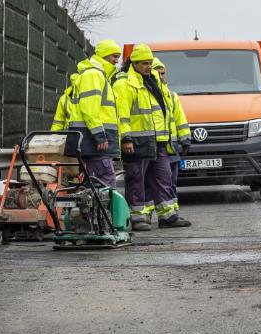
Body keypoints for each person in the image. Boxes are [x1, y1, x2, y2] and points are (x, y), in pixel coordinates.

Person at [114, 44, 191, 230]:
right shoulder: (124, 84)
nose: (149, 67)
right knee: (136, 180)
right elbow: (121, 115)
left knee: (164, 179)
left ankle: (168, 216)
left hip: (159, 141)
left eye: (150, 63)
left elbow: (166, 112)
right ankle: (138, 218)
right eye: (144, 63)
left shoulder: (154, 81)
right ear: (134, 63)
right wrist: (126, 139)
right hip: (137, 142)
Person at [66, 39, 122, 189]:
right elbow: (89, 108)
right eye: (114, 56)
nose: (117, 61)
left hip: (92, 140)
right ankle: (104, 212)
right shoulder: (93, 74)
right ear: (104, 55)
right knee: (104, 183)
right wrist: (99, 136)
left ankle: (95, 212)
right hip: (94, 141)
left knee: (95, 183)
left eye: (118, 57)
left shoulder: (98, 75)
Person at [152, 57, 191, 212]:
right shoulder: (145, 94)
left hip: (171, 148)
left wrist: (185, 139)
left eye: (163, 74)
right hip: (154, 147)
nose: (162, 77)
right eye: (158, 73)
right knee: (153, 183)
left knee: (171, 182)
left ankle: (172, 211)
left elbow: (180, 119)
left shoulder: (171, 95)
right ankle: (147, 214)